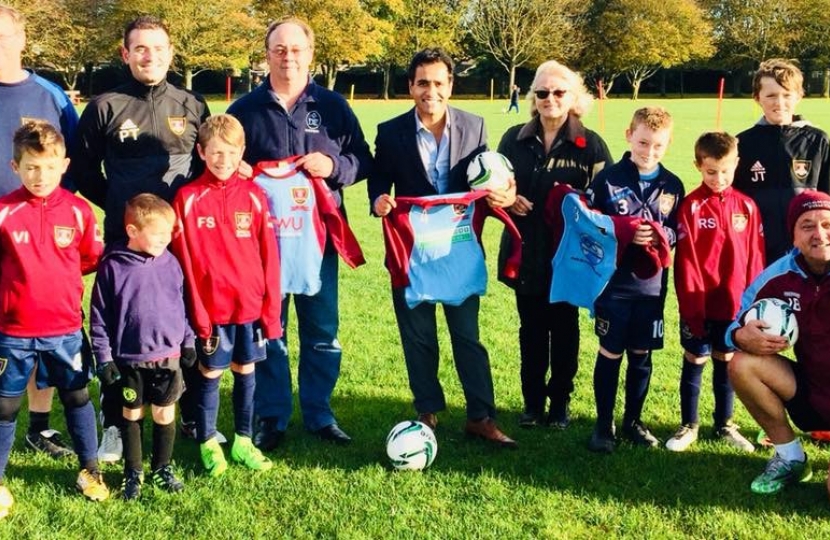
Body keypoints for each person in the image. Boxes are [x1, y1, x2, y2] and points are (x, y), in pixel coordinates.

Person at [69, 15, 210, 463]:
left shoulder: (191, 104)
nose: (150, 56)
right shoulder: (105, 106)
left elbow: (205, 168)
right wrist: (117, 204)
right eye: (141, 48)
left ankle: (182, 411)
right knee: (122, 326)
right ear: (125, 53)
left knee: (178, 321)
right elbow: (83, 171)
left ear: (171, 53)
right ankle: (115, 421)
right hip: (124, 243)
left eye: (159, 48)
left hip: (180, 243)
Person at [227, 18, 372, 449]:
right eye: (279, 49)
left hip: (317, 241)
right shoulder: (244, 111)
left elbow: (363, 157)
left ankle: (320, 413)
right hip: (262, 246)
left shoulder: (333, 106)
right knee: (271, 330)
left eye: (296, 49)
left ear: (310, 53)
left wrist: (335, 168)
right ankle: (272, 415)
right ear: (266, 53)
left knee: (322, 329)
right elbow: (220, 167)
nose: (287, 57)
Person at [368, 48, 518, 448]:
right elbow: (379, 178)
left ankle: (481, 416)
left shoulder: (475, 126)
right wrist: (379, 198)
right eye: (422, 83)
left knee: (467, 336)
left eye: (438, 83)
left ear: (450, 85)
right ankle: (427, 412)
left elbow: (490, 177)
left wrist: (504, 193)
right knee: (418, 337)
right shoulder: (391, 131)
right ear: (411, 87)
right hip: (412, 253)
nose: (430, 91)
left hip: (458, 251)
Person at [0, 121, 107, 517]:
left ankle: (90, 470)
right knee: (5, 408)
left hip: (64, 329)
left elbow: (87, 258)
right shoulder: (5, 212)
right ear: (15, 167)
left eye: (47, 167)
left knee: (77, 396)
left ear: (64, 165)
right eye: (30, 167)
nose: (39, 176)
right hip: (12, 332)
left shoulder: (78, 212)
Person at [497, 60, 612, 429]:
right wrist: (507, 198)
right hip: (525, 250)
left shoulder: (590, 144)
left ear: (574, 97)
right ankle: (531, 404)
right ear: (533, 97)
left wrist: (580, 205)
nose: (550, 99)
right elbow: (493, 185)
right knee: (530, 330)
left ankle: (560, 403)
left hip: (570, 257)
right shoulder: (514, 138)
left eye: (559, 92)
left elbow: (607, 199)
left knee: (564, 331)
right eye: (542, 92)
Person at [171, 114, 281, 477]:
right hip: (211, 312)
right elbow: (184, 262)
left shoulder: (255, 196)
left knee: (246, 370)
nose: (223, 160)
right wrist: (198, 314)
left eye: (231, 153)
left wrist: (270, 312)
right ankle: (208, 442)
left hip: (249, 308)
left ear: (242, 152)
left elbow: (270, 257)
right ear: (201, 152)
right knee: (211, 373)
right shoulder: (187, 198)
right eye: (215, 152)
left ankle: (243, 440)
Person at [0, 3, 79, 460]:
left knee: (37, 328)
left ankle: (40, 427)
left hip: (38, 234)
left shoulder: (51, 95)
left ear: (23, 39)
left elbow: (73, 155)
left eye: (6, 34)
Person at [586, 106, 684, 453]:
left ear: (668, 144)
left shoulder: (672, 184)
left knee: (642, 353)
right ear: (629, 135)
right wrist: (625, 233)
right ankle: (603, 425)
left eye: (658, 146)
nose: (649, 152)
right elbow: (592, 226)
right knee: (611, 351)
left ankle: (633, 421)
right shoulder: (608, 179)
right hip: (614, 285)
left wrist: (662, 236)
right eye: (643, 143)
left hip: (653, 286)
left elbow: (678, 231)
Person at [89, 194, 194, 499]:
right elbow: (99, 317)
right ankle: (133, 473)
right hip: (130, 358)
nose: (166, 239)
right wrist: (104, 358)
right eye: (158, 233)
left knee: (164, 413)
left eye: (169, 233)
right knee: (132, 414)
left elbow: (181, 305)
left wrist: (187, 341)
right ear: (133, 231)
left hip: (167, 356)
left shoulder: (171, 263)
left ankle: (162, 467)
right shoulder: (113, 267)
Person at [726, 190, 830, 497]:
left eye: (827, 224)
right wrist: (739, 334)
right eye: (807, 225)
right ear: (793, 236)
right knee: (743, 363)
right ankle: (790, 457)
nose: (819, 234)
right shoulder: (778, 276)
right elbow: (734, 322)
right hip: (812, 391)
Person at [666, 132, 763, 453]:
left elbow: (755, 260)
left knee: (727, 361)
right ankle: (688, 425)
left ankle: (725, 425)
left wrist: (750, 307)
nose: (718, 178)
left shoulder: (747, 206)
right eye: (710, 171)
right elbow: (687, 265)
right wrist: (692, 309)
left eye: (725, 171)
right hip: (699, 305)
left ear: (736, 164)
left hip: (734, 307)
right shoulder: (691, 206)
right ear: (698, 166)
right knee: (695, 359)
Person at [733, 59, 830, 264]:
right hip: (758, 249)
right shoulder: (743, 143)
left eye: (787, 95)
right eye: (771, 96)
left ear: (799, 97)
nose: (779, 102)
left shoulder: (817, 140)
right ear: (757, 98)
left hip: (807, 251)